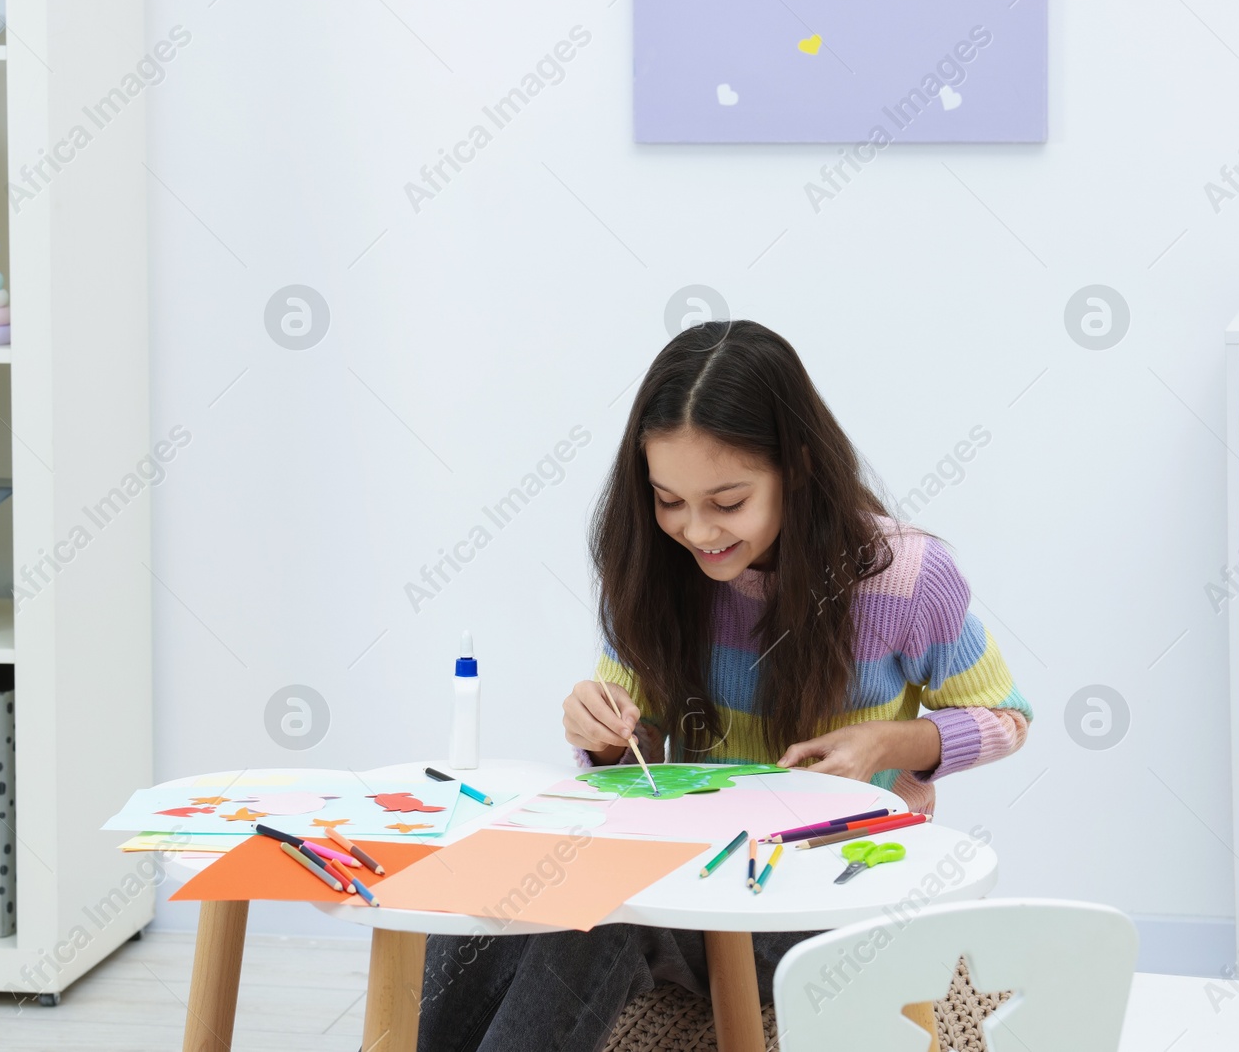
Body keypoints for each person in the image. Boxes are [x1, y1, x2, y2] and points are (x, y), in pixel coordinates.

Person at [414, 320, 1033, 1052]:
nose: (697, 529)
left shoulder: (904, 576)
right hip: (697, 881)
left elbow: (1006, 715)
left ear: (797, 467)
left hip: (835, 902)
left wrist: (891, 742)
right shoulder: (655, 569)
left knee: (603, 911)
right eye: (668, 499)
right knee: (499, 871)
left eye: (728, 501)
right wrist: (606, 733)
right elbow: (628, 750)